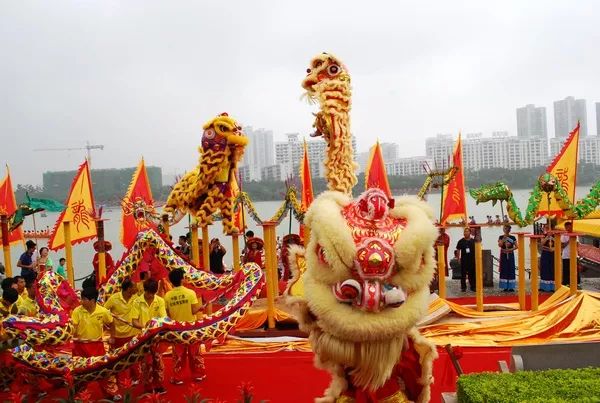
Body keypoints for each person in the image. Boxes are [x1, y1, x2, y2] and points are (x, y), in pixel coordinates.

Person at [70, 287, 121, 401]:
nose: (81, 301)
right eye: (81, 298)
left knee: (104, 371)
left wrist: (112, 336)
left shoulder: (103, 311)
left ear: (92, 300)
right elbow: (73, 327)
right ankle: (80, 396)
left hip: (97, 346)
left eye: (84, 299)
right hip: (79, 347)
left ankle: (110, 393)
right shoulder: (77, 311)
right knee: (80, 373)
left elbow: (112, 323)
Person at [164, 268, 205, 385]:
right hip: (190, 327)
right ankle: (198, 375)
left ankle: (178, 377)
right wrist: (200, 307)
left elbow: (167, 314)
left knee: (178, 355)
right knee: (194, 353)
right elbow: (193, 310)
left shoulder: (167, 296)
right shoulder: (190, 293)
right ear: (182, 279)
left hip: (176, 329)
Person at [131, 278, 167, 395]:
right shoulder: (137, 302)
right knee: (146, 363)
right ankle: (147, 386)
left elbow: (163, 318)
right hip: (143, 337)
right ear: (144, 290)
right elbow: (134, 321)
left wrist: (154, 326)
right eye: (148, 293)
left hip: (156, 336)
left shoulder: (160, 301)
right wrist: (144, 327)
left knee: (158, 361)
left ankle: (158, 385)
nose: (150, 295)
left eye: (153, 293)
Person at [104, 278, 141, 388]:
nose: (136, 288)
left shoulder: (136, 298)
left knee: (135, 358)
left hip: (134, 334)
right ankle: (122, 382)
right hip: (119, 336)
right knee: (121, 361)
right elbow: (103, 312)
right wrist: (111, 333)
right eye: (134, 286)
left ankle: (135, 379)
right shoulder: (114, 299)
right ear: (129, 288)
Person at [561, 221, 581, 287]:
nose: (568, 228)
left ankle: (576, 283)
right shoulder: (563, 235)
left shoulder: (575, 234)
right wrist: (569, 240)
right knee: (566, 270)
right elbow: (562, 245)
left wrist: (578, 253)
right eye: (566, 227)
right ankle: (566, 283)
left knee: (575, 269)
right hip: (566, 255)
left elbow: (577, 244)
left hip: (574, 255)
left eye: (569, 226)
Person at [455, 227, 476, 292]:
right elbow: (458, 250)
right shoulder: (460, 241)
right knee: (463, 274)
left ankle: (473, 286)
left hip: (472, 260)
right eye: (465, 231)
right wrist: (458, 258)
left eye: (467, 231)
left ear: (470, 232)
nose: (466, 233)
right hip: (464, 259)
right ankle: (463, 287)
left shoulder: (473, 241)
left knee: (472, 274)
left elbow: (477, 250)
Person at [498, 225, 517, 292]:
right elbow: (500, 245)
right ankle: (505, 286)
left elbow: (516, 246)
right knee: (504, 269)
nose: (506, 230)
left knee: (511, 269)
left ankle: (511, 286)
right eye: (505, 228)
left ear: (509, 229)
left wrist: (510, 249)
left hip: (510, 254)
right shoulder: (501, 237)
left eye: (507, 228)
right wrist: (503, 239)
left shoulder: (512, 237)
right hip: (503, 255)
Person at [539, 225, 555, 292]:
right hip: (545, 254)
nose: (547, 229)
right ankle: (543, 287)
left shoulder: (555, 236)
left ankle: (552, 287)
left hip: (552, 254)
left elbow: (558, 244)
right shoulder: (543, 235)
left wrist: (553, 248)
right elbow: (542, 244)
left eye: (548, 228)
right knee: (544, 269)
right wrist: (548, 237)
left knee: (552, 269)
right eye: (546, 228)